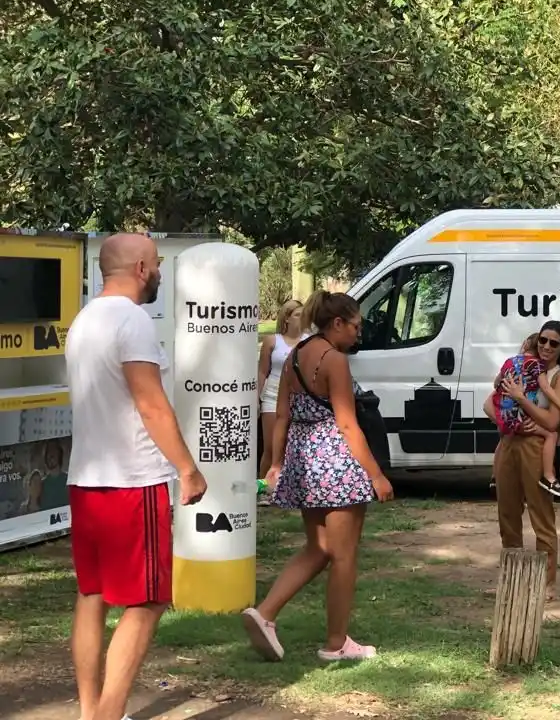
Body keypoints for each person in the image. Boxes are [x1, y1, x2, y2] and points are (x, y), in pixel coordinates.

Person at [65, 233, 208, 720]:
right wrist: (187, 469)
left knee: (93, 595)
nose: (160, 272)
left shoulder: (85, 320)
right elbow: (151, 405)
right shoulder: (132, 321)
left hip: (86, 479)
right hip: (132, 482)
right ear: (142, 268)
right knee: (147, 602)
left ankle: (91, 712)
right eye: (158, 264)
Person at [242, 290, 393, 663]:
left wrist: (277, 463)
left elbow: (282, 415)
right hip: (337, 462)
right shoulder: (334, 360)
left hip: (304, 460)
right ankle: (336, 643)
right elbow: (346, 423)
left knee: (318, 547)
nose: (359, 333)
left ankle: (265, 614)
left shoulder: (294, 356)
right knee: (344, 556)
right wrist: (376, 475)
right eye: (355, 326)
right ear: (337, 323)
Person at [492, 321, 560, 599]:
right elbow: (491, 402)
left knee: (540, 515)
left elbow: (552, 422)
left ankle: (546, 583)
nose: (546, 346)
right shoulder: (522, 365)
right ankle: (512, 579)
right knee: (507, 513)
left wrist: (522, 401)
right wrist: (509, 422)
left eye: (554, 343)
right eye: (543, 340)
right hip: (509, 442)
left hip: (535, 449)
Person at [486, 333, 560, 498]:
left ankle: (495, 477)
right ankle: (548, 476)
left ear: (524, 344)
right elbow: (545, 388)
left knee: (502, 438)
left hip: (506, 415)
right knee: (551, 435)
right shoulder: (536, 365)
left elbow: (496, 383)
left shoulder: (509, 362)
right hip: (522, 417)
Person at [257, 299, 305, 481]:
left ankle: (286, 486)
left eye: (303, 315)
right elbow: (263, 371)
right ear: (287, 318)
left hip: (297, 397)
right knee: (271, 448)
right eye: (297, 315)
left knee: (290, 447)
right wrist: (257, 398)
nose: (301, 318)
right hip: (272, 395)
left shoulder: (308, 341)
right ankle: (263, 485)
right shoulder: (272, 341)